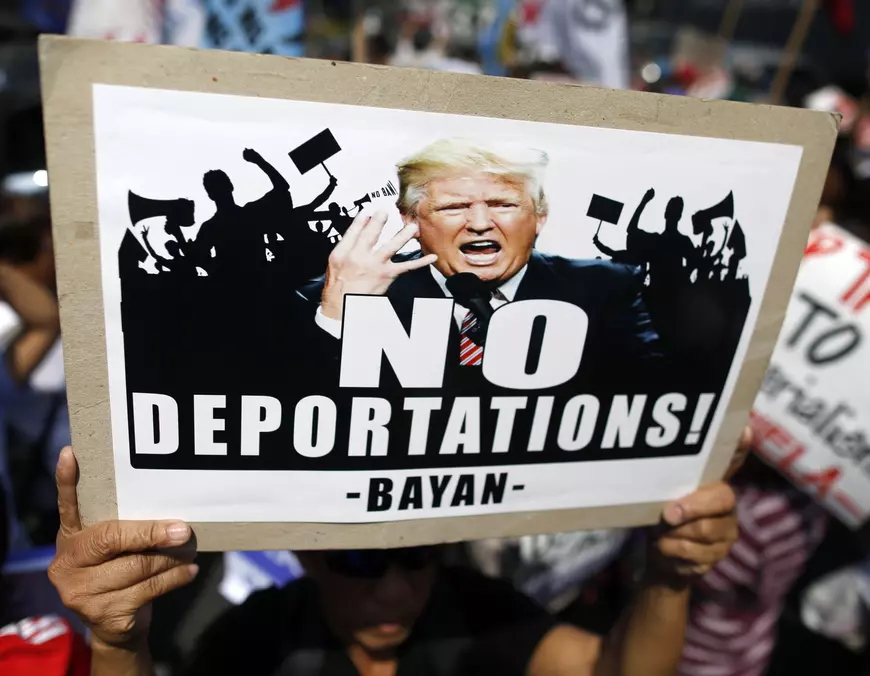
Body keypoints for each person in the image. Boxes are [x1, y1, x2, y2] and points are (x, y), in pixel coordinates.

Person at [48, 435, 745, 676]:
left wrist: (668, 576)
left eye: (419, 559)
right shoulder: (261, 636)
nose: (393, 594)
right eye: (357, 564)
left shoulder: (472, 611)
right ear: (308, 557)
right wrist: (117, 639)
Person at [302, 138, 660, 390]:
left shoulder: (605, 291)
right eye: (453, 207)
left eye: (502, 204)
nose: (479, 223)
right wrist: (335, 317)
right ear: (410, 219)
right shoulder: (340, 297)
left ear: (540, 216)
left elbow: (654, 402)